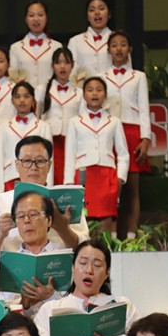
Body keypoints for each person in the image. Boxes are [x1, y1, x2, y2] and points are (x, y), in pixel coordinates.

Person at [34, 239, 139, 336]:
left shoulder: (121, 305)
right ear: (72, 267)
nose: (89, 270)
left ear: (107, 273)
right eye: (83, 263)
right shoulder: (51, 309)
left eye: (97, 265)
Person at [0, 136, 86, 255]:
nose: (33, 167)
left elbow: (83, 250)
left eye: (40, 161)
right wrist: (0, 234)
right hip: (13, 269)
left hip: (56, 268)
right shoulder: (0, 201)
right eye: (26, 161)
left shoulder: (66, 198)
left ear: (49, 165)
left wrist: (63, 229)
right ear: (17, 165)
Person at [64, 76, 129, 235]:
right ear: (84, 94)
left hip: (107, 175)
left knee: (107, 218)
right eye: (90, 90)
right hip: (84, 175)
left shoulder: (114, 121)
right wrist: (69, 182)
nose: (94, 94)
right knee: (84, 219)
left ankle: (108, 251)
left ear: (105, 94)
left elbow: (123, 154)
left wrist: (120, 178)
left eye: (99, 90)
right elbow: (70, 153)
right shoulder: (74, 122)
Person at [105, 30, 152, 239]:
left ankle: (132, 235)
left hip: (132, 131)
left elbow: (144, 108)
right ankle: (112, 235)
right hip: (108, 132)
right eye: (114, 45)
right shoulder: (101, 78)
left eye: (123, 44)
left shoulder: (139, 77)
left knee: (132, 188)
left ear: (130, 49)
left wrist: (146, 138)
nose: (119, 49)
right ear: (108, 50)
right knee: (111, 188)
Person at [0, 82, 53, 193]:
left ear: (33, 99)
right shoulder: (3, 128)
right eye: (17, 96)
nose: (22, 100)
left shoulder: (44, 126)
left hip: (36, 179)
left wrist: (49, 189)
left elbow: (48, 159)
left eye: (26, 96)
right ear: (12, 100)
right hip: (10, 179)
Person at [37, 47, 81, 187]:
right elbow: (37, 118)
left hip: (71, 143)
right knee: (50, 178)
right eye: (58, 63)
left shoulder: (79, 92)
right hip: (50, 142)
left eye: (66, 63)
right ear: (52, 66)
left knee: (68, 178)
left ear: (72, 65)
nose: (62, 66)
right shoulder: (41, 90)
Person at [9, 1, 61, 88]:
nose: (36, 19)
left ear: (46, 18)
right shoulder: (15, 48)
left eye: (40, 15)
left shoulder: (57, 47)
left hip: (50, 97)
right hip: (24, 99)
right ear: (26, 19)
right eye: (31, 15)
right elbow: (13, 78)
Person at [66, 0, 114, 82]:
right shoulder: (75, 41)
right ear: (87, 17)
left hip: (112, 92)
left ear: (109, 14)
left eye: (101, 9)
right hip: (84, 92)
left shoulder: (118, 40)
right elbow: (72, 73)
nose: (97, 12)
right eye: (92, 10)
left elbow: (126, 71)